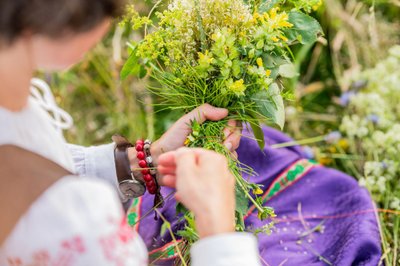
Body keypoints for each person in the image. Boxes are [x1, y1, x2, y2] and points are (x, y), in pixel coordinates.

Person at [0, 0, 261, 265]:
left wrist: (146, 160)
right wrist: (217, 230)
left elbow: (45, 163)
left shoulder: (13, 105)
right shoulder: (74, 223)